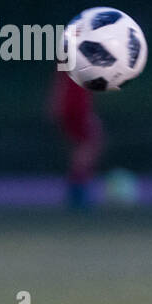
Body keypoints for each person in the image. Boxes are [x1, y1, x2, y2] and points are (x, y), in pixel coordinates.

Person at [49, 70, 104, 209]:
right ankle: (78, 192)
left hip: (75, 105)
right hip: (75, 106)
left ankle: (78, 190)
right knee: (87, 144)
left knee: (85, 144)